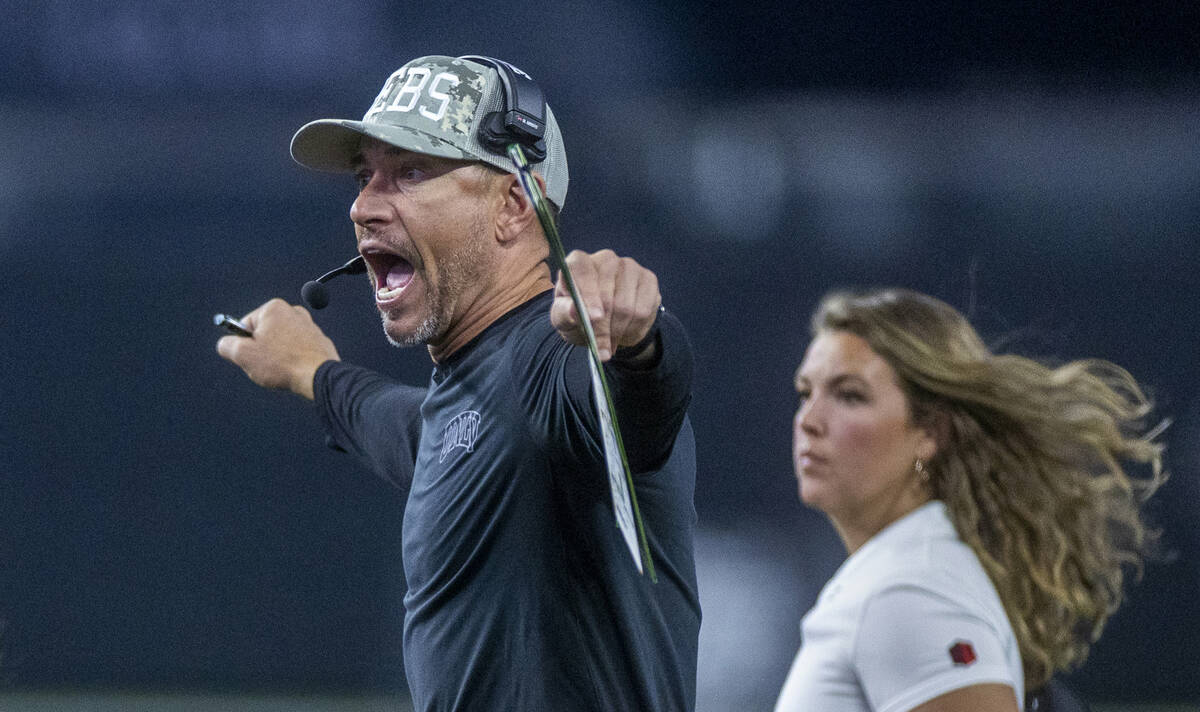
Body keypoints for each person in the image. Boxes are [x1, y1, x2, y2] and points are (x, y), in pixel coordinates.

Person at [216, 55, 700, 711]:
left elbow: (638, 404)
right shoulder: (469, 402)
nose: (362, 205)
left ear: (513, 203)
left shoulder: (551, 360)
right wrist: (311, 372)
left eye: (411, 171)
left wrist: (639, 339)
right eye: (365, 177)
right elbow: (406, 426)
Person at [775, 288, 1164, 712]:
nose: (808, 420)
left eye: (849, 395)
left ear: (931, 433)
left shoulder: (909, 589)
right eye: (804, 393)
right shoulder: (915, 570)